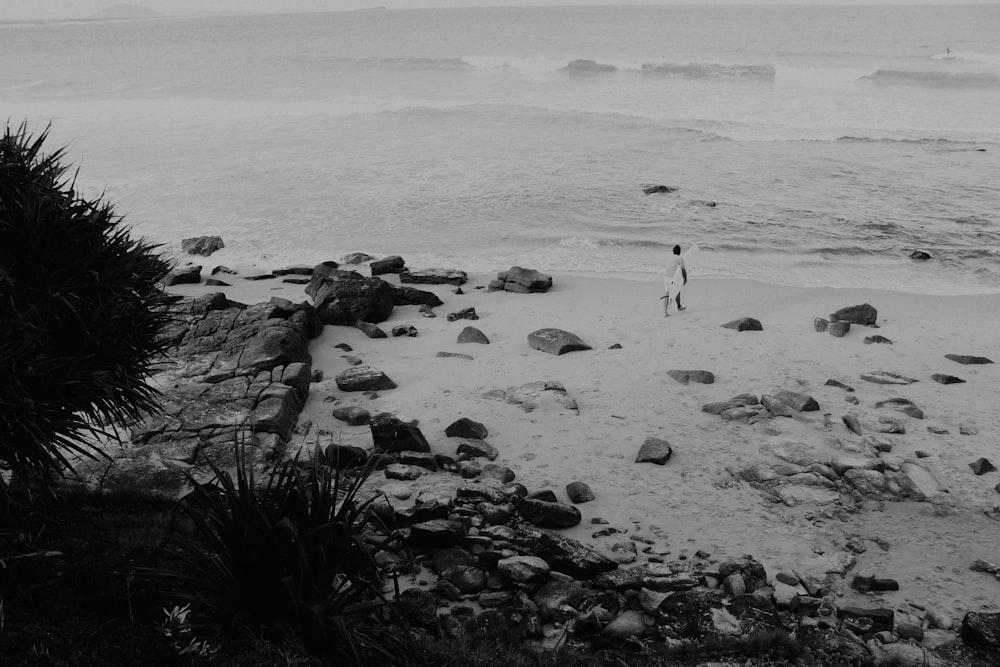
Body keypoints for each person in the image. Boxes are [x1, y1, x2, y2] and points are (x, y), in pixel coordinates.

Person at [662, 244, 687, 316]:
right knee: (677, 290)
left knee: (667, 293)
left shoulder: (669, 257)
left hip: (666, 277)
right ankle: (679, 307)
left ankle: (665, 313)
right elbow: (683, 270)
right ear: (679, 251)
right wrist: (685, 279)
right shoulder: (680, 258)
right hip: (672, 278)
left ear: (673, 251)